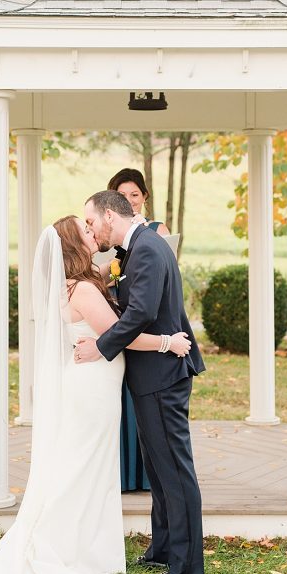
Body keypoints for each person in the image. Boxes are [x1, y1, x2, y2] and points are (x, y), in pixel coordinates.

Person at [0, 213, 192, 574]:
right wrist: (168, 342)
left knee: (86, 469)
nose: (94, 232)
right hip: (91, 389)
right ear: (74, 244)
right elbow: (121, 333)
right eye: (86, 230)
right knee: (83, 471)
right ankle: (68, 553)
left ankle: (82, 548)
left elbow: (110, 330)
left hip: (94, 385)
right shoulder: (84, 291)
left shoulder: (78, 284)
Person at [77, 190, 206, 574]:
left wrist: (101, 347)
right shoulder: (136, 250)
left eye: (92, 222)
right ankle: (163, 549)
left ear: (111, 216)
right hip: (152, 375)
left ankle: (185, 567)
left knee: (174, 470)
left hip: (162, 376)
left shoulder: (147, 248)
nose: (91, 230)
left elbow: (144, 313)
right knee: (157, 466)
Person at [107, 167, 169, 493]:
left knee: (143, 397)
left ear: (145, 197)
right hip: (115, 322)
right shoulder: (109, 236)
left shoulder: (157, 232)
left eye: (135, 194)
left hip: (147, 325)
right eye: (123, 196)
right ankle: (121, 473)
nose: (130, 201)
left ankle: (144, 475)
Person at [108, 167, 171, 238]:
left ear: (144, 196)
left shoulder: (159, 231)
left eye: (134, 195)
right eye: (121, 195)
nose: (128, 201)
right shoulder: (104, 230)